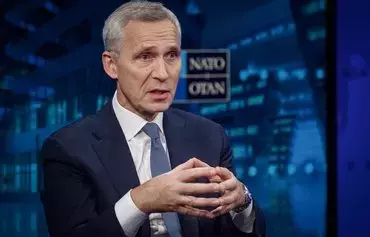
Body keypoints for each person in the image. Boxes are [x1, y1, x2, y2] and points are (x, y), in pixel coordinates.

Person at [40, 1, 266, 237]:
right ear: (111, 65)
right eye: (145, 56)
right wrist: (140, 201)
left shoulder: (210, 135)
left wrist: (242, 202)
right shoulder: (68, 148)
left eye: (171, 55)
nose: (162, 73)